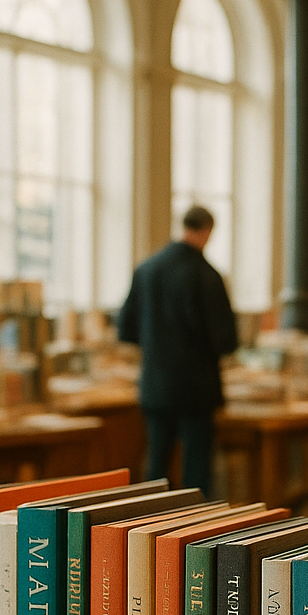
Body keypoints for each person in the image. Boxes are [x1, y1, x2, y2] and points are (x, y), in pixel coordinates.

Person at [118, 205, 238, 498]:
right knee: (196, 472)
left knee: (156, 467)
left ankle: (148, 533)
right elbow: (225, 340)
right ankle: (196, 536)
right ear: (208, 230)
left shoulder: (146, 269)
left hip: (156, 385)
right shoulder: (206, 276)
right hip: (196, 389)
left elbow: (126, 328)